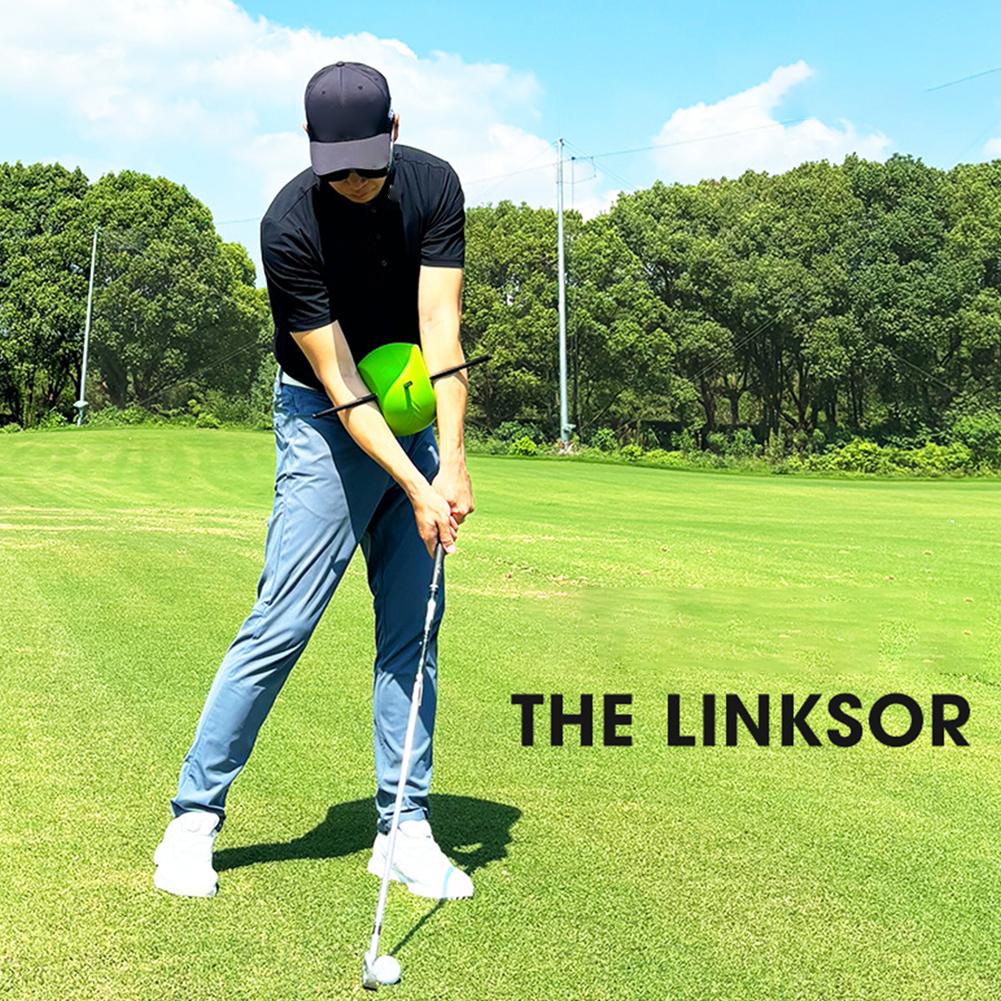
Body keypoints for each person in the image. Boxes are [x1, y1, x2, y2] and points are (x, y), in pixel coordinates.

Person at [153, 61, 475, 901]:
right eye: (339, 169)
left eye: (369, 164)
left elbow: (440, 328)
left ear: (394, 133)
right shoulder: (288, 225)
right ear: (309, 145)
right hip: (324, 419)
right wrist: (416, 485)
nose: (356, 182)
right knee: (282, 620)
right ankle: (192, 820)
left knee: (413, 628)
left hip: (411, 417)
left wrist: (450, 460)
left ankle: (403, 827)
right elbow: (340, 385)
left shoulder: (435, 187)